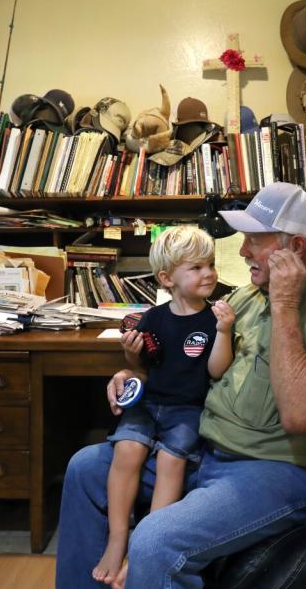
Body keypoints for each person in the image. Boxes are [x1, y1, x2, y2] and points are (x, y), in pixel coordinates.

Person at [57, 182, 306, 589]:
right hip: (205, 451)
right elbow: (190, 367)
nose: (242, 251)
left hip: (278, 471)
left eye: (254, 240)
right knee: (84, 468)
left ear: (295, 247)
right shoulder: (245, 298)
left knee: (155, 542)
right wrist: (136, 377)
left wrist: (285, 305)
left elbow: (299, 416)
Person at [93, 226, 236, 585]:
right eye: (196, 268)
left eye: (210, 265)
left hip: (188, 409)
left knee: (173, 460)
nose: (208, 274)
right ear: (166, 278)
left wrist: (223, 332)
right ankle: (118, 539)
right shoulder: (153, 317)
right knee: (127, 448)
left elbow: (217, 370)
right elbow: (142, 367)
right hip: (150, 403)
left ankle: (145, 545)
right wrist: (130, 352)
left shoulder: (213, 318)